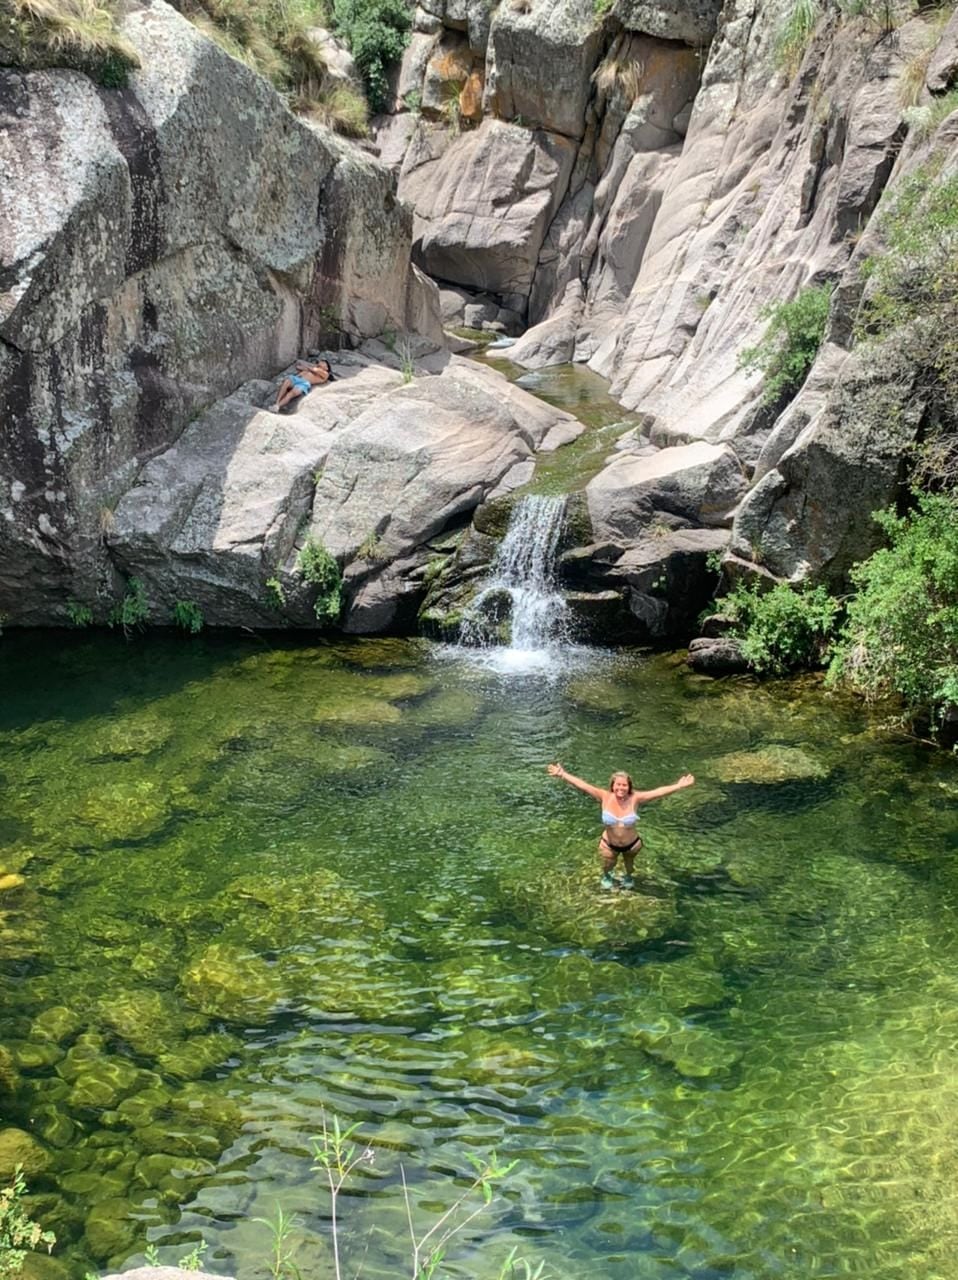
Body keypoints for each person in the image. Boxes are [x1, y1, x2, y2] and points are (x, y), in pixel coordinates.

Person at [547, 762, 695, 891]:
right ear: (612, 785)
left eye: (624, 785)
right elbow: (583, 786)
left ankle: (628, 877)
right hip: (608, 844)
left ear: (629, 786)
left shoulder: (635, 798)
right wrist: (563, 774)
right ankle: (607, 876)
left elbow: (657, 793)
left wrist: (679, 786)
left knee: (630, 866)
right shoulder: (604, 796)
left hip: (632, 844)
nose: (621, 788)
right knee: (607, 865)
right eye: (618, 784)